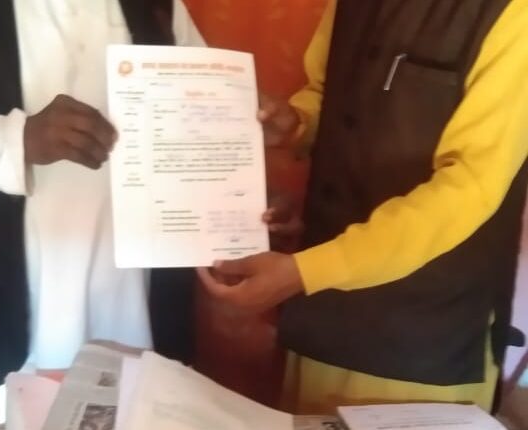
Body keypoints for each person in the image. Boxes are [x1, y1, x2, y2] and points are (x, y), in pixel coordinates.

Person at [199, 0, 528, 415]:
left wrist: (305, 271)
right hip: (321, 310)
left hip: (421, 335)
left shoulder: (514, 14)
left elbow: (468, 187)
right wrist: (297, 123)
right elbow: (327, 92)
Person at [0, 0, 204, 428]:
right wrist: (17, 138)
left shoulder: (159, 7)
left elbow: (198, 117)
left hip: (136, 306)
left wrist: (248, 186)